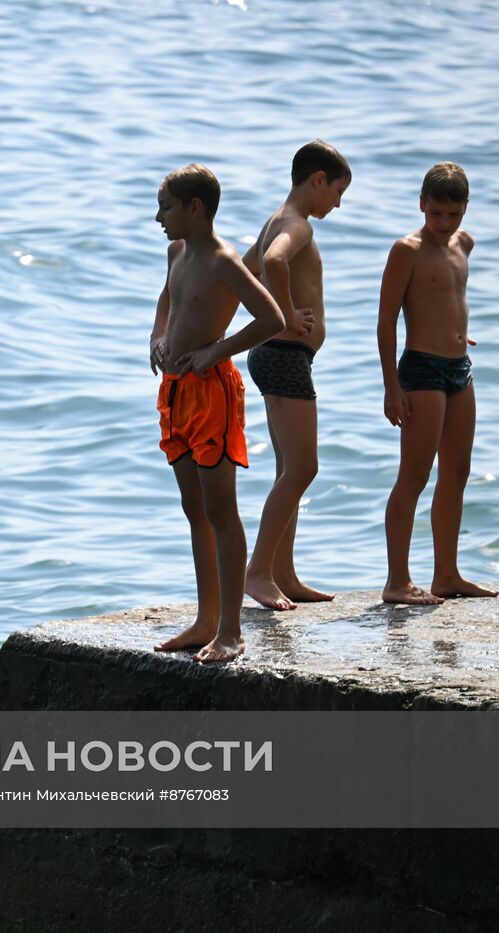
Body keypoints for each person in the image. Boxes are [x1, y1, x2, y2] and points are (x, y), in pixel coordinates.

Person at [150, 164, 286, 663]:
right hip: (175, 390)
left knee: (221, 511)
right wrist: (157, 335)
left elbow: (273, 318)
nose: (158, 217)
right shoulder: (176, 252)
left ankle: (231, 630)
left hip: (213, 393)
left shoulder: (226, 261)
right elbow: (168, 297)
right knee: (194, 509)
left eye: (165, 207)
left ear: (195, 208)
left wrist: (216, 351)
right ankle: (205, 620)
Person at [379, 162, 497, 604]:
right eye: (436, 214)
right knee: (414, 474)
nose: (445, 224)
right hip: (422, 370)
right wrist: (392, 386)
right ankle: (396, 581)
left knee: (458, 472)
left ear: (466, 209)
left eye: (454, 214)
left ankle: (446, 574)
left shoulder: (464, 243)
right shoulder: (405, 249)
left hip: (459, 368)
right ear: (422, 204)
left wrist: (453, 329)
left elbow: (447, 295)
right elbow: (387, 319)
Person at [241, 140, 351, 610]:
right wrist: (283, 315)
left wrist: (264, 319)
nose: (338, 204)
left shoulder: (274, 219)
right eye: (337, 193)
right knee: (303, 468)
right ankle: (258, 573)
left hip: (278, 353)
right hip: (283, 355)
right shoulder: (297, 226)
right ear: (318, 179)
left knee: (290, 470)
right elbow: (271, 263)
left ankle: (282, 573)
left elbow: (244, 271)